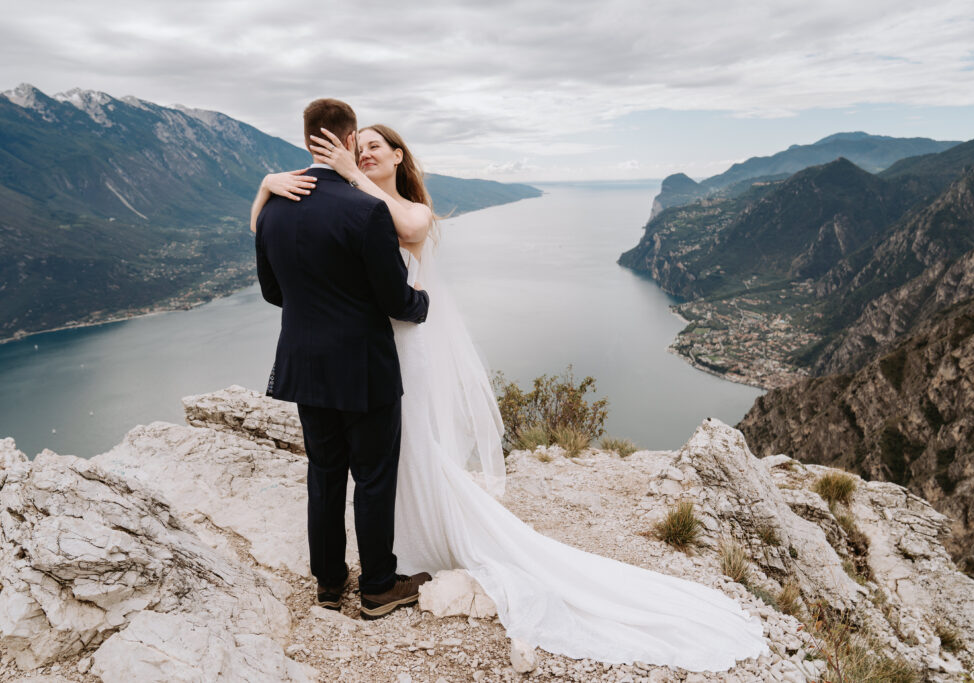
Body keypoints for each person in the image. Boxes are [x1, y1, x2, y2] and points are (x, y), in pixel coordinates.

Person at [253, 122, 769, 670]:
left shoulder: (402, 210)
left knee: (387, 457)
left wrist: (350, 174)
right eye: (358, 149)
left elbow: (399, 231)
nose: (363, 155)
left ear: (400, 156)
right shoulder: (349, 209)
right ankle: (375, 575)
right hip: (372, 353)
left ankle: (380, 561)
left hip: (387, 353)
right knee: (368, 467)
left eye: (374, 147)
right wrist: (268, 186)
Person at [253, 98, 432, 621]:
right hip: (364, 367)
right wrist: (422, 300)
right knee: (374, 478)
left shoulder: (273, 210)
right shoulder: (366, 209)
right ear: (350, 140)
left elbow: (272, 293)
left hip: (305, 366)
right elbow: (396, 300)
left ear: (306, 140)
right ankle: (378, 586)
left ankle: (329, 584)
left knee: (324, 476)